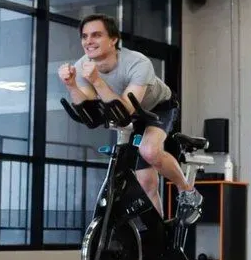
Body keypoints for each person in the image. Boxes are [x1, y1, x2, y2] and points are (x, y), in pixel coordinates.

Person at [58, 13, 201, 222]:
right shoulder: (82, 66)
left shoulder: (137, 62)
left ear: (113, 39)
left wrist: (97, 81)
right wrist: (71, 85)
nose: (88, 41)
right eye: (85, 36)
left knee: (149, 151)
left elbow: (125, 110)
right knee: (145, 182)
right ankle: (156, 237)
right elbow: (90, 109)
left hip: (157, 108)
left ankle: (187, 191)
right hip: (131, 114)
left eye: (96, 35)